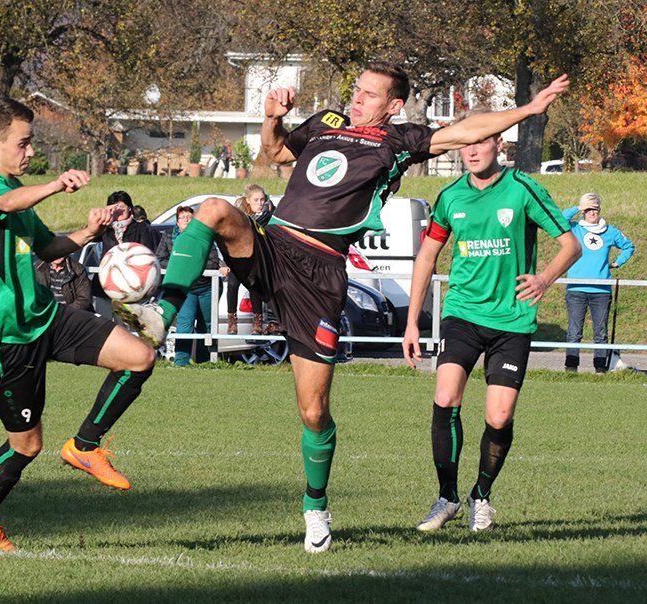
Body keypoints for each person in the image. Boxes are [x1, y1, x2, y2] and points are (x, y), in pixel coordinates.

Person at [119, 62, 570, 552]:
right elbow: (274, 152)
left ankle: (316, 506)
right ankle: (162, 315)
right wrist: (271, 118)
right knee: (212, 209)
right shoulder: (326, 123)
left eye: (369, 94)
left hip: (320, 275)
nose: (357, 98)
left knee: (314, 411)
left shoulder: (398, 142)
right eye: (357, 89)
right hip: (275, 245)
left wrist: (528, 108)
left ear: (393, 106)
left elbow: (465, 131)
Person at [0, 97, 155, 553]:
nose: (30, 151)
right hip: (5, 340)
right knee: (26, 446)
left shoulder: (17, 196)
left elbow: (47, 247)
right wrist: (55, 184)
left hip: (47, 317)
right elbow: (5, 202)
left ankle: (85, 446)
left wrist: (88, 232)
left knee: (139, 357)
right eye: (23, 143)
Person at [402, 114, 580, 533]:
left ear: (499, 144)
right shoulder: (450, 197)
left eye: (482, 141)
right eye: (467, 142)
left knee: (499, 417)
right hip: (463, 313)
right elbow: (426, 257)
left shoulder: (522, 189)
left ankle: (480, 496)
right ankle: (446, 497)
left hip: (512, 320)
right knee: (445, 396)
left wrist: (543, 279)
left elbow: (570, 245)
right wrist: (412, 322)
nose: (472, 150)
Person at [562, 193, 634, 373]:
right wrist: (579, 207)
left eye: (595, 209)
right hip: (576, 289)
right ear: (583, 211)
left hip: (601, 291)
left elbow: (629, 246)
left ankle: (600, 369)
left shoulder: (610, 231)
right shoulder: (575, 228)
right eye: (589, 209)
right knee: (574, 332)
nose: (592, 212)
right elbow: (559, 219)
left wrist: (617, 263)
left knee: (600, 333)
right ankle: (571, 368)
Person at [156, 206, 226, 366]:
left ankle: (205, 362)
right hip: (184, 289)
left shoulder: (204, 236)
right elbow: (160, 260)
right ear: (177, 222)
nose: (187, 220)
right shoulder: (168, 236)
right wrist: (185, 264)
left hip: (207, 287)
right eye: (183, 217)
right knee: (184, 324)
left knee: (206, 326)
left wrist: (184, 264)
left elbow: (213, 261)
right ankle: (181, 362)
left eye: (190, 217)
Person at [226, 184, 275, 334]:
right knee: (232, 285)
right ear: (248, 200)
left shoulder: (267, 216)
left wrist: (269, 212)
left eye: (262, 200)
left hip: (257, 260)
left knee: (254, 286)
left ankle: (257, 321)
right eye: (256, 200)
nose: (260, 203)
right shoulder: (240, 216)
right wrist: (224, 262)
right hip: (239, 258)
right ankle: (232, 321)